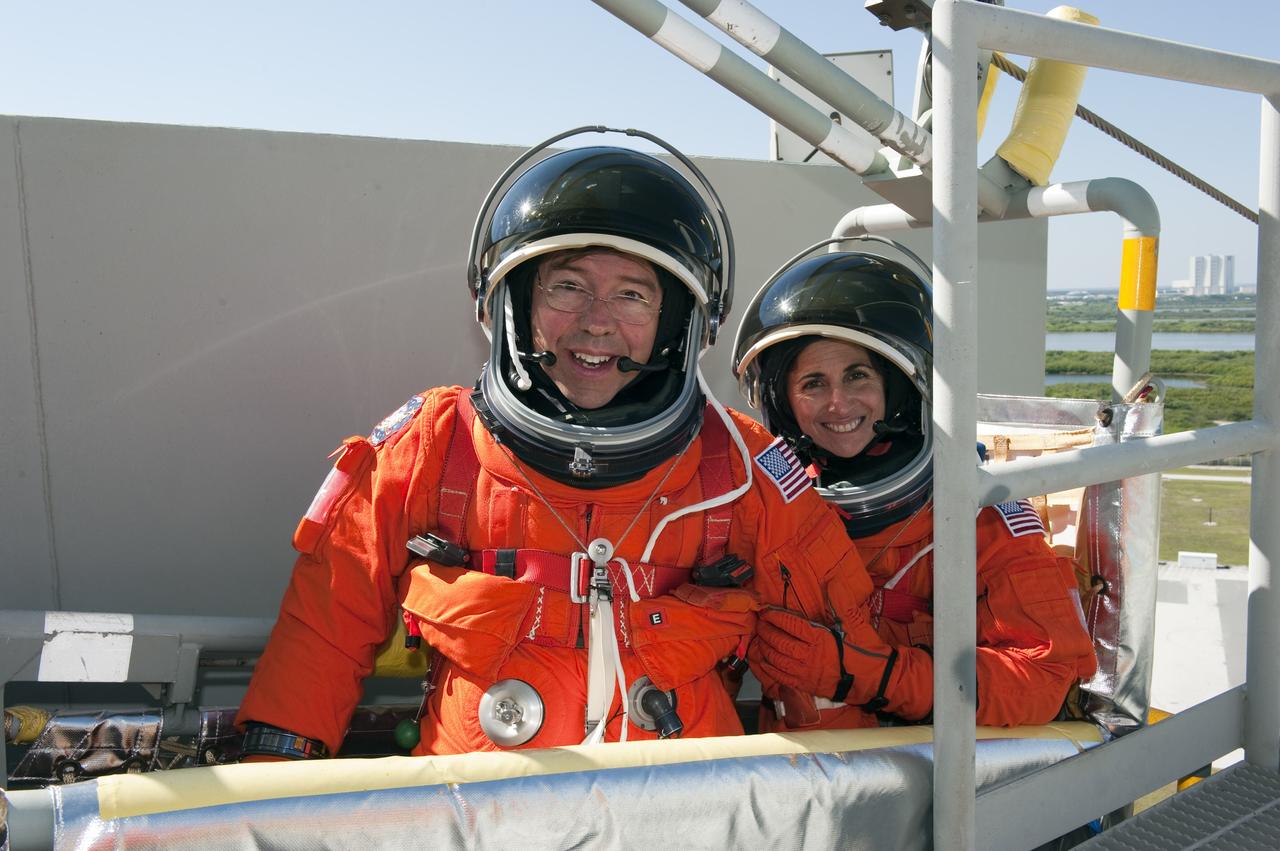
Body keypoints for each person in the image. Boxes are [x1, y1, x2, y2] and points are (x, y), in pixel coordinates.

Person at [234, 130, 878, 758]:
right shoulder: (435, 444)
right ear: (514, 301)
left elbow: (835, 660)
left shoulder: (740, 466)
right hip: (478, 815)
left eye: (632, 295)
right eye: (568, 287)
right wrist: (270, 781)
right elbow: (322, 635)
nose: (597, 321)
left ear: (676, 322)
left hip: (685, 814)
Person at [732, 241, 1098, 730]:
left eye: (857, 376)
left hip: (926, 786)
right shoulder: (771, 513)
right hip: (800, 783)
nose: (838, 404)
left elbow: (1039, 679)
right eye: (813, 383)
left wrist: (870, 676)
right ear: (785, 403)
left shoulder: (978, 517)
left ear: (903, 388)